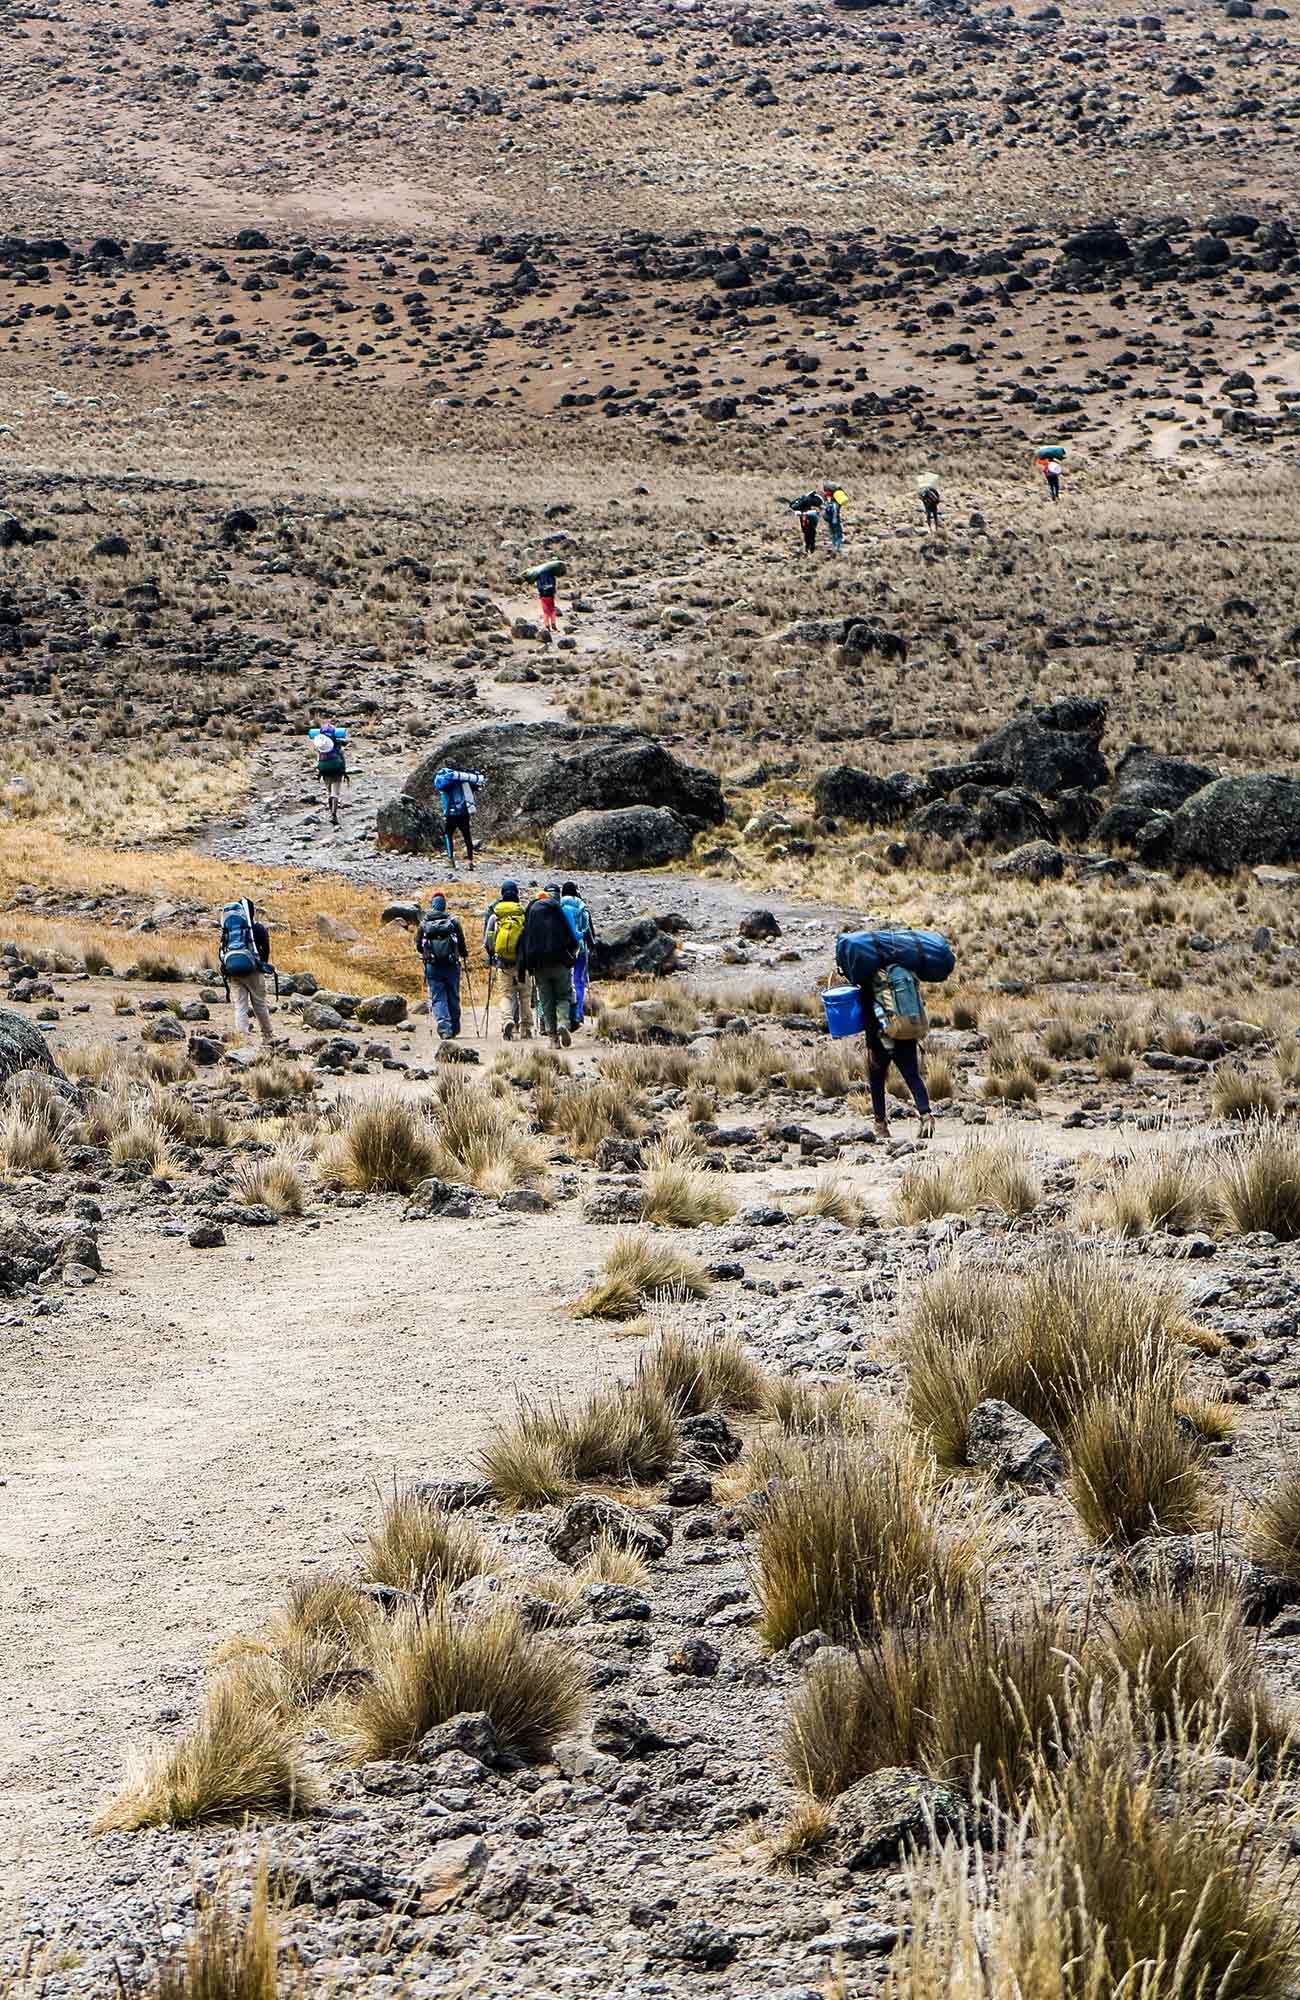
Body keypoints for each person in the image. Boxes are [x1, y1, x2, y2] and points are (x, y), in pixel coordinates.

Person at [863, 974, 933, 1142]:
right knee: (912, 1075)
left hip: (881, 1035)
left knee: (877, 1079)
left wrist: (870, 1045)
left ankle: (880, 1123)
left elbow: (868, 1013)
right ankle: (926, 1116)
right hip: (905, 1032)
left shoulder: (870, 975)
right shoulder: (900, 971)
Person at [520, 882, 578, 1048]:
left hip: (539, 965)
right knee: (563, 996)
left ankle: (553, 1039)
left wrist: (527, 967)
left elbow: (525, 942)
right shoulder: (557, 911)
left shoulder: (531, 914)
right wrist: (571, 955)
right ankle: (563, 1022)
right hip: (560, 962)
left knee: (546, 1001)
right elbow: (570, 937)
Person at [220, 896, 276, 1047]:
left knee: (240, 1005)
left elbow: (222, 949)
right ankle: (267, 1035)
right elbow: (265, 951)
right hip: (253, 971)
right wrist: (261, 965)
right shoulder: (257, 928)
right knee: (259, 1003)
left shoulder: (230, 929)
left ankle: (242, 1039)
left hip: (233, 970)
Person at [416, 893, 469, 1040]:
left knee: (438, 997)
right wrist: (463, 954)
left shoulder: (424, 924)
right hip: (451, 965)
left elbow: (419, 946)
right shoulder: (453, 922)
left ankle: (444, 1026)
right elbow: (461, 944)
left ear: (432, 905)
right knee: (453, 994)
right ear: (444, 905)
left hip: (432, 966)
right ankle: (455, 1027)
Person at [484, 879, 530, 1040]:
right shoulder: (523, 914)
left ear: (502, 895)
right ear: (516, 894)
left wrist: (492, 954)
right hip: (522, 964)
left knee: (506, 995)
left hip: (503, 963)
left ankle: (507, 1020)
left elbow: (488, 942)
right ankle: (526, 1029)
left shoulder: (495, 916)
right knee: (525, 996)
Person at [560, 880, 596, 1026]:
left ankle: (566, 1014)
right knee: (579, 982)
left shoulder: (559, 906)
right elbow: (590, 933)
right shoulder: (583, 908)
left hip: (564, 950)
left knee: (564, 982)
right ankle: (578, 1014)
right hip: (581, 949)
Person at [434, 766, 485, 870]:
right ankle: (470, 861)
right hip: (464, 812)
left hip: (451, 814)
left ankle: (450, 859)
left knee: (448, 835)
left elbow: (440, 787)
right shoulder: (465, 781)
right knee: (467, 836)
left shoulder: (447, 782)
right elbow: (478, 787)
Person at [311, 724, 349, 828]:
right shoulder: (337, 745)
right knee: (335, 793)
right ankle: (334, 815)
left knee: (329, 792)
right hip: (337, 771)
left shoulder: (320, 746)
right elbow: (343, 757)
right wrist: (344, 772)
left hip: (324, 771)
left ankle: (330, 811)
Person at [535, 565, 560, 640]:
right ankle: (553, 624)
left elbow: (539, 587)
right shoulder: (551, 576)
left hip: (543, 596)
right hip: (550, 596)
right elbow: (554, 585)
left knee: (545, 612)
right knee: (552, 610)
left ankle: (547, 626)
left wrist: (543, 589)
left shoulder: (538, 577)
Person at [822, 487, 844, 555]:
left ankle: (836, 546)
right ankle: (837, 546)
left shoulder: (828, 503)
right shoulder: (834, 503)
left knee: (834, 533)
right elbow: (835, 511)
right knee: (837, 533)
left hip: (831, 520)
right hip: (834, 520)